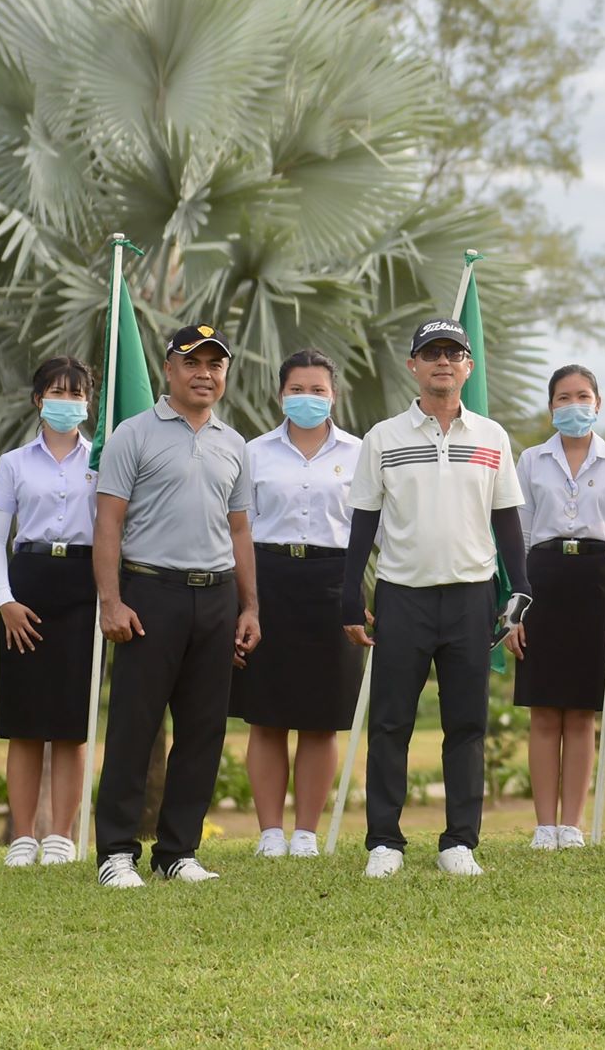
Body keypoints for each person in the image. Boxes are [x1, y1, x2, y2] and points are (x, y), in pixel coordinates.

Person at [341, 317, 531, 879]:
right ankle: (385, 842)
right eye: (432, 353)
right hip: (403, 596)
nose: (442, 362)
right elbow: (363, 524)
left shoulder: (492, 437)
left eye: (453, 353)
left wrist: (520, 590)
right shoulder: (383, 437)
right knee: (391, 722)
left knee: (466, 723)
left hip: (472, 597)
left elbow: (508, 523)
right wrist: (350, 596)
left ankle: (459, 842)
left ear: (468, 366)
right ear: (414, 366)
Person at [91, 325, 259, 889]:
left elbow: (240, 531)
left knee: (203, 730)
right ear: (169, 369)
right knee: (134, 728)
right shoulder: (133, 434)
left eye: (215, 364)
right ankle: (116, 853)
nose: (204, 373)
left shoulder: (234, 444)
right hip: (149, 594)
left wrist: (249, 607)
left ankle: (177, 851)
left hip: (216, 597)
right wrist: (111, 602)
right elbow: (108, 522)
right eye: (192, 363)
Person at [230, 348, 364, 861]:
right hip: (267, 581)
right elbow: (239, 529)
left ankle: (305, 831)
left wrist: (362, 597)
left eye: (317, 390)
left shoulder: (360, 453)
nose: (307, 398)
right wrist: (244, 602)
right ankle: (270, 832)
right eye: (297, 390)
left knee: (321, 716)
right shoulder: (253, 452)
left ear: (334, 395)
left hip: (335, 582)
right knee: (266, 714)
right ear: (280, 394)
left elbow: (372, 530)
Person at [503, 364, 605, 851]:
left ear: (598, 403)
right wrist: (514, 607)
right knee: (543, 710)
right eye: (563, 397)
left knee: (580, 711)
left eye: (582, 396)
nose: (573, 405)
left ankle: (571, 825)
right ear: (550, 405)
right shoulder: (531, 460)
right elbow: (519, 536)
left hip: (594, 579)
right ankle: (544, 825)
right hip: (542, 578)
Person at [0, 356, 99, 868]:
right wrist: (5, 600)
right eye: (57, 392)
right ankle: (24, 837)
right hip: (25, 585)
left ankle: (61, 837)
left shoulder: (102, 459)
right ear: (38, 400)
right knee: (25, 721)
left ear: (88, 403)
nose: (66, 403)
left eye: (76, 394)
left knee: (72, 724)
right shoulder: (14, 463)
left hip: (84, 586)